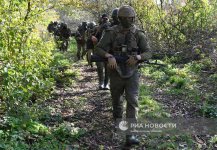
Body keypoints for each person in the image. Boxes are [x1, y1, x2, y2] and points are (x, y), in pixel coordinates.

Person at [95, 5, 152, 146]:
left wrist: (138, 57)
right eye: (126, 18)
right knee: (116, 98)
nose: (129, 20)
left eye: (131, 18)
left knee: (132, 100)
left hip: (132, 72)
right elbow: (98, 48)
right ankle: (118, 121)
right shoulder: (111, 32)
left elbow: (148, 52)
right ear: (120, 18)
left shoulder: (138, 33)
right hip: (115, 72)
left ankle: (130, 134)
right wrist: (109, 56)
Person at [94, 14, 111, 90]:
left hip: (109, 51)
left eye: (106, 19)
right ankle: (101, 83)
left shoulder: (112, 27)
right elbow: (91, 38)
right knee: (100, 68)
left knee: (108, 68)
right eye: (104, 19)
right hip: (99, 50)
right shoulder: (97, 28)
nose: (105, 20)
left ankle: (106, 83)